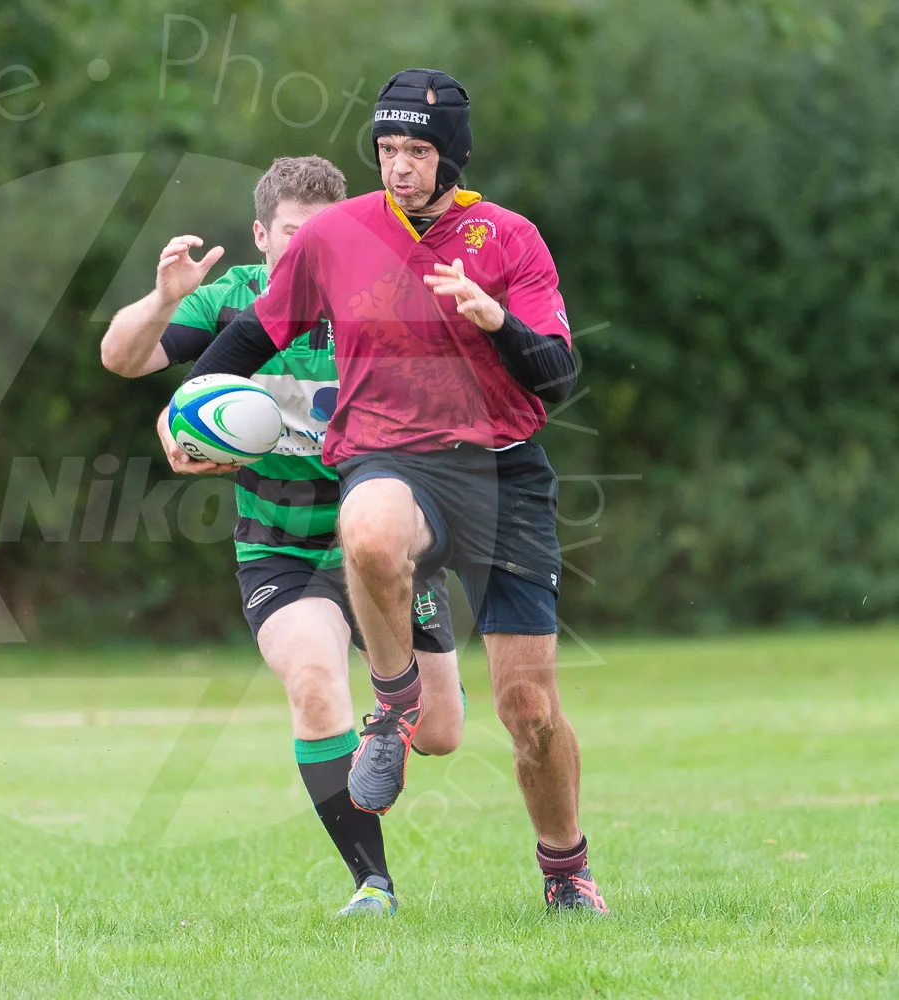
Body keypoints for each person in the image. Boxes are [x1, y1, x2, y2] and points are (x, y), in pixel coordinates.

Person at [183, 71, 608, 913]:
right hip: (389, 456)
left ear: (451, 155)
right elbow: (245, 336)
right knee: (368, 531)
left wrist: (495, 319)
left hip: (502, 472)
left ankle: (565, 871)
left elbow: (556, 376)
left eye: (417, 150)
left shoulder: (508, 239)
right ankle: (394, 699)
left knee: (530, 711)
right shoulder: (335, 236)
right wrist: (190, 413)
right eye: (387, 150)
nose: (399, 166)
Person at [100, 155, 465, 917]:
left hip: (385, 548)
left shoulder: (381, 303)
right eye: (293, 238)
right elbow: (122, 357)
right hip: (282, 549)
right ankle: (373, 885)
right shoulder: (234, 302)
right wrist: (165, 302)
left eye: (324, 237)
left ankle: (390, 725)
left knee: (440, 734)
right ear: (263, 237)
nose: (309, 253)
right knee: (311, 679)